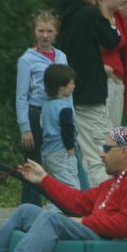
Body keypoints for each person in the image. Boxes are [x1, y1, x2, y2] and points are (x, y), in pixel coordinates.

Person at [55, 0, 121, 188]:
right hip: (89, 96)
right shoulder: (89, 14)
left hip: (65, 94)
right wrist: (105, 11)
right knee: (100, 155)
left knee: (73, 156)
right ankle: (104, 207)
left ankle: (77, 201)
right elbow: (112, 40)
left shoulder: (59, 15)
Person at [15, 10, 68, 206]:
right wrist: (25, 127)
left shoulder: (62, 57)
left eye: (49, 31)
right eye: (41, 31)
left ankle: (59, 207)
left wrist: (71, 122)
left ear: (56, 33)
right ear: (34, 32)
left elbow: (68, 90)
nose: (45, 36)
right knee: (32, 164)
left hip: (58, 116)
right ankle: (30, 210)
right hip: (36, 115)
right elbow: (21, 96)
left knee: (57, 163)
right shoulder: (27, 59)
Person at [40, 64, 80, 197]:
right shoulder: (65, 107)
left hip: (47, 153)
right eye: (72, 83)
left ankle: (54, 212)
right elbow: (67, 129)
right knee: (71, 188)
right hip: (61, 152)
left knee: (54, 189)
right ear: (61, 86)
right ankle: (71, 215)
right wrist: (71, 149)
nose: (74, 86)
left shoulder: (46, 105)